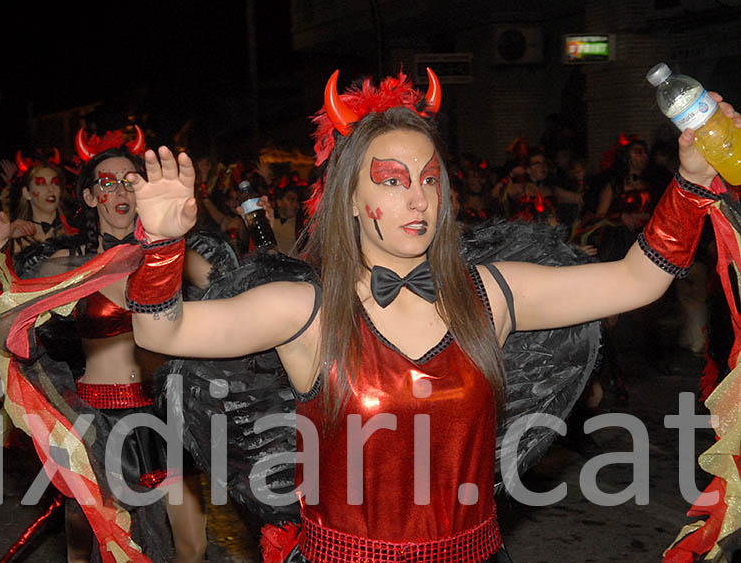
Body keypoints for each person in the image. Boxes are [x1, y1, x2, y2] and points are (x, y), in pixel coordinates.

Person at [124, 69, 739, 563]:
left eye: (429, 180)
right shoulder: (306, 309)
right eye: (392, 182)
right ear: (353, 201)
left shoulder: (490, 295)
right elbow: (160, 329)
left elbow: (639, 278)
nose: (418, 198)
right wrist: (161, 246)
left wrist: (689, 184)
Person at [0, 126, 207, 563]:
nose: (120, 189)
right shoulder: (69, 264)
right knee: (89, 541)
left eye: (129, 179)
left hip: (164, 412)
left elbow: (233, 293)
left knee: (191, 546)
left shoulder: (172, 255)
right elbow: (9, 308)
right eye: (107, 181)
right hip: (97, 418)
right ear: (88, 198)